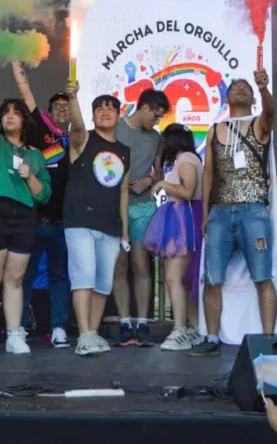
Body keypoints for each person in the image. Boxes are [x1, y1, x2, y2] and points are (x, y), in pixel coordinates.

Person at [188, 71, 275, 357]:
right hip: (220, 213)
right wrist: (205, 214)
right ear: (226, 98)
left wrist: (264, 90)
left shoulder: (260, 124)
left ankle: (267, 339)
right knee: (212, 278)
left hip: (254, 211)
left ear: (252, 98)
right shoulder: (215, 128)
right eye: (235, 87)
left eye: (245, 88)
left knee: (263, 277)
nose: (240, 90)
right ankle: (211, 337)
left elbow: (271, 112)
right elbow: (209, 173)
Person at [0, 93, 51, 356]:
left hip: (25, 216)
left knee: (15, 279)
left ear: (25, 120)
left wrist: (29, 177)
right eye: (5, 112)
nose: (10, 116)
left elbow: (44, 194)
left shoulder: (36, 155)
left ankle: (15, 334)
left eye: (16, 112)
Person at [63, 81, 131, 356]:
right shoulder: (83, 138)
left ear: (118, 115)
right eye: (99, 108)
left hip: (110, 225)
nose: (105, 111)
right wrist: (73, 97)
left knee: (103, 280)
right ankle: (84, 334)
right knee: (84, 275)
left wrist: (125, 228)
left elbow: (124, 190)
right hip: (80, 220)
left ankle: (92, 333)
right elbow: (76, 124)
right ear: (92, 115)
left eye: (111, 108)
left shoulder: (125, 151)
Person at [11, 61, 71, 348]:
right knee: (25, 275)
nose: (62, 110)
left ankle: (59, 327)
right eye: (57, 106)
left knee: (60, 276)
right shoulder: (41, 133)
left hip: (64, 224)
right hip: (35, 221)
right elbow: (27, 94)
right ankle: (19, 327)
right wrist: (16, 67)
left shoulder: (79, 139)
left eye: (67, 106)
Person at [111, 88, 170, 347]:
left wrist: (147, 180)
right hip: (114, 206)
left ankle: (143, 324)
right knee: (119, 266)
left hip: (143, 206)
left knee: (141, 264)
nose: (156, 122)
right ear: (144, 108)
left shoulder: (155, 138)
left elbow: (160, 173)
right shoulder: (115, 127)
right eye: (155, 116)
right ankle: (125, 322)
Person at [144, 123, 204, 351]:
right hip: (180, 221)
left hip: (183, 222)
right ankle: (193, 328)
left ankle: (180, 329)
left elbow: (188, 191)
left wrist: (162, 184)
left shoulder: (186, 158)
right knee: (182, 280)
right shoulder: (185, 159)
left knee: (173, 277)